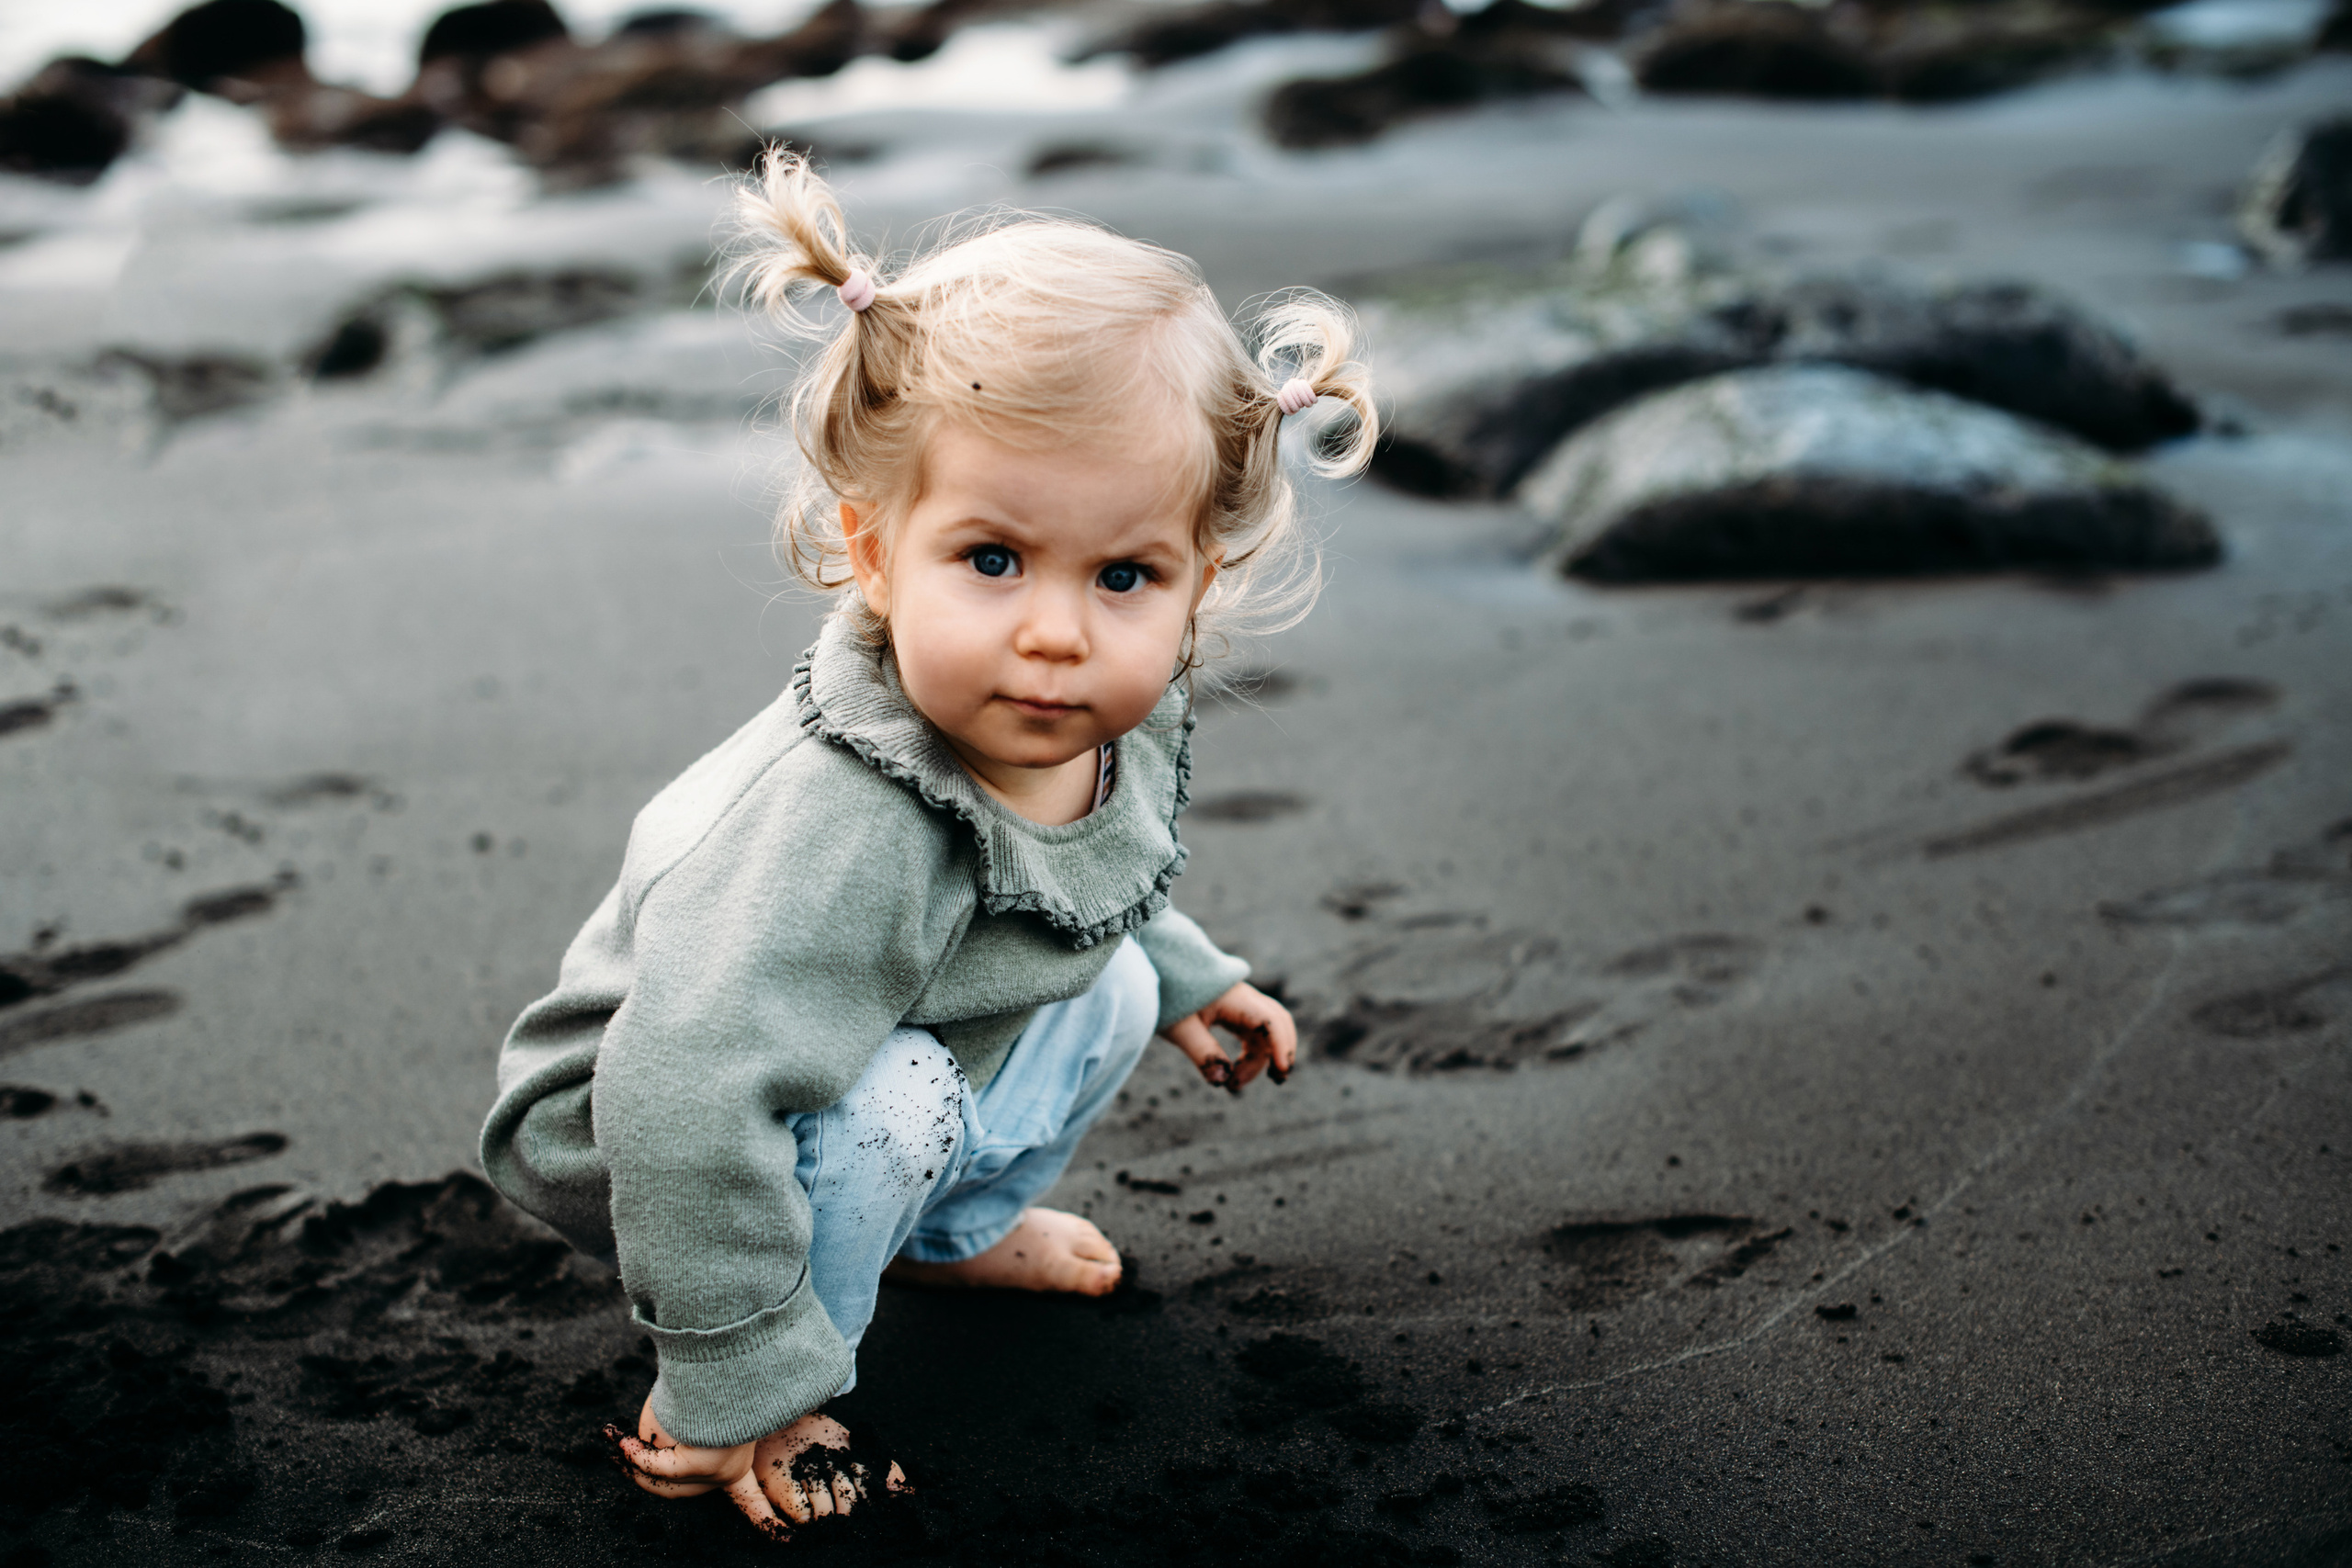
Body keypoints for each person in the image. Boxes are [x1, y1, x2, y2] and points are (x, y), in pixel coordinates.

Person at [477, 148, 1377, 1540]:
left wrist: (1191, 977)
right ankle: (784, 1375)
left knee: (1114, 979)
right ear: (877, 551)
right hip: (642, 1126)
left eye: (1124, 575)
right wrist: (726, 1372)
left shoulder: (1088, 720)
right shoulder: (847, 822)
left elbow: (1073, 873)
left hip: (825, 1051)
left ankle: (944, 1239)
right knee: (891, 1099)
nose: (1058, 632)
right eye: (993, 559)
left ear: (1198, 583)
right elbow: (679, 1091)